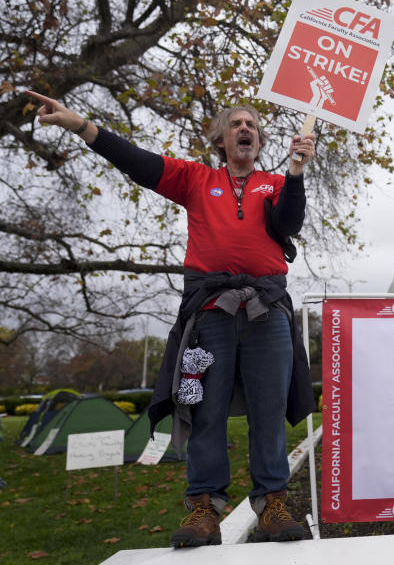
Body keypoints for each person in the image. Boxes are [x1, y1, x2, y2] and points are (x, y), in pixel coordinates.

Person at [27, 90, 317, 547]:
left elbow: (288, 224)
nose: (246, 129)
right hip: (209, 314)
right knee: (203, 409)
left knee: (269, 411)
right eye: (237, 124)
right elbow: (136, 161)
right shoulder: (195, 179)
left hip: (267, 313)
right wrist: (78, 125)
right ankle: (204, 509)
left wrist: (296, 173)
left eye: (253, 126)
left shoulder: (276, 185)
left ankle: (273, 505)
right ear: (221, 139)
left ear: (260, 142)